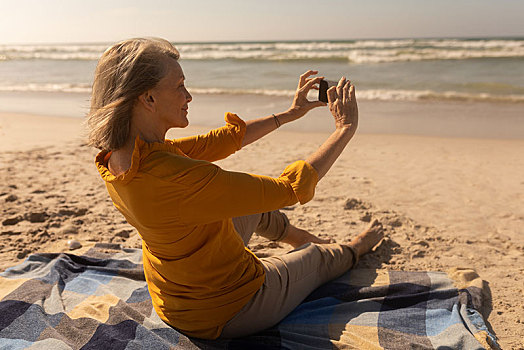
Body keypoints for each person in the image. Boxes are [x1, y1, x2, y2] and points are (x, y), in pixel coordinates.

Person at [89, 38, 383, 340]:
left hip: (175, 292)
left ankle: (299, 237)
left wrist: (290, 114)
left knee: (254, 205)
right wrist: (345, 128)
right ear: (148, 98)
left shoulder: (125, 155)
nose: (188, 96)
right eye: (179, 86)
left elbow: (218, 142)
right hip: (227, 307)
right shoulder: (176, 178)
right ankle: (354, 248)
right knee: (317, 259)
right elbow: (291, 188)